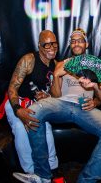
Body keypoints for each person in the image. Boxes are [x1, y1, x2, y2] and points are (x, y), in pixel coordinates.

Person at [13, 28, 101, 183]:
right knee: (33, 111)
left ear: (86, 43)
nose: (76, 43)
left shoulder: (96, 65)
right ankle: (42, 175)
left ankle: (87, 179)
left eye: (80, 40)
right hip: (62, 103)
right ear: (70, 44)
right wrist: (56, 75)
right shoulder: (61, 64)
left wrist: (95, 94)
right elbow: (55, 95)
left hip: (84, 108)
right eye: (73, 41)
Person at [5, 30, 59, 176]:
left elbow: (57, 95)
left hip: (37, 105)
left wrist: (47, 95)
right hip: (18, 102)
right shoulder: (29, 60)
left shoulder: (56, 65)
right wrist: (18, 110)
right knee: (20, 127)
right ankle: (30, 172)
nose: (52, 47)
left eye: (54, 43)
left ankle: (53, 169)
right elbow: (12, 88)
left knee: (45, 127)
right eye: (47, 45)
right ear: (39, 46)